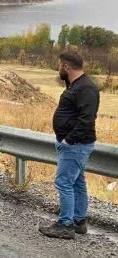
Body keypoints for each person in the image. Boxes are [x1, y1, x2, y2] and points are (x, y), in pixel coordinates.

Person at [39, 51, 99, 240]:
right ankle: (78, 221)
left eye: (60, 66)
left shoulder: (86, 88)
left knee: (64, 182)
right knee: (77, 182)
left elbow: (87, 119)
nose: (58, 69)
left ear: (66, 67)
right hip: (75, 145)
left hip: (76, 145)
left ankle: (66, 225)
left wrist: (69, 140)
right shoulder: (77, 85)